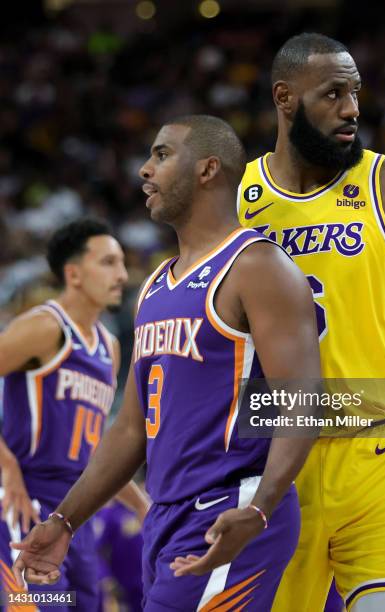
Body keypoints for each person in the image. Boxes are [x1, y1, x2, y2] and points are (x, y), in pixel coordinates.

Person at [11, 115, 322, 611]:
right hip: (166, 518)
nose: (143, 169)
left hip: (227, 510)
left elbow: (304, 398)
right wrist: (65, 521)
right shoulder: (155, 284)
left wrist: (260, 509)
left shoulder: (255, 265)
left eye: (160, 155)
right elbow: (130, 431)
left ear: (207, 169)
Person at [238, 33, 385, 612]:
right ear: (285, 98)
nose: (352, 109)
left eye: (356, 93)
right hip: (272, 467)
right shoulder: (233, 203)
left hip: (379, 460)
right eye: (334, 94)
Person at [0, 219, 150, 610]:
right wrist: (7, 467)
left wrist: (141, 505)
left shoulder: (109, 347)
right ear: (74, 273)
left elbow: (97, 448)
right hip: (27, 506)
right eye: (108, 263)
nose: (121, 274)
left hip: (74, 516)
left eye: (121, 263)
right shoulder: (44, 328)